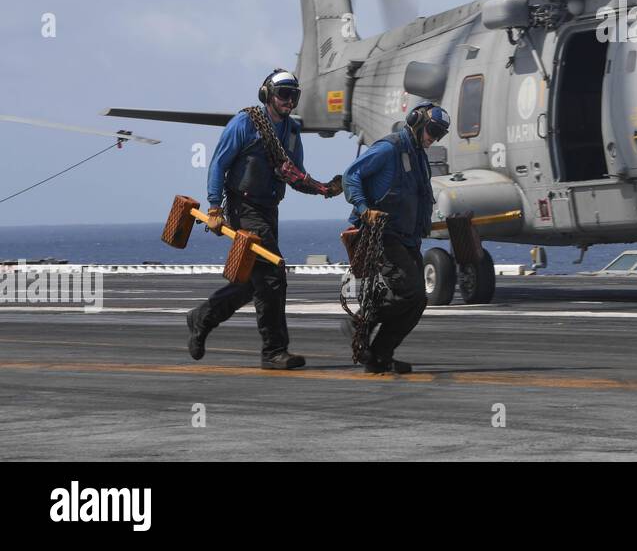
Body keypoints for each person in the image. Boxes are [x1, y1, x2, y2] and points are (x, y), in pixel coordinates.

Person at [186, 69, 342, 369]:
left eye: (293, 95)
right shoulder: (244, 123)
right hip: (243, 209)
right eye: (283, 94)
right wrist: (215, 208)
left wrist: (325, 189)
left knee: (253, 282)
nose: (289, 101)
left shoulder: (292, 132)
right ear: (267, 95)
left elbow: (295, 175)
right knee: (272, 275)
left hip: (269, 210)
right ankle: (273, 352)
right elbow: (218, 164)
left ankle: (201, 318)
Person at [343, 102, 449, 373]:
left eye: (439, 134)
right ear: (416, 121)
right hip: (381, 233)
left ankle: (380, 356)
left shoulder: (418, 155)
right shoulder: (388, 149)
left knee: (417, 301)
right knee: (410, 291)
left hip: (408, 238)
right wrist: (365, 210)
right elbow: (351, 176)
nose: (433, 138)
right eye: (432, 130)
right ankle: (360, 322)